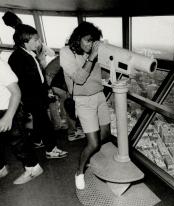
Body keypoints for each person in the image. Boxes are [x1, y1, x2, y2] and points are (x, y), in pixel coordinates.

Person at [60, 22, 111, 189]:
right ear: (78, 38)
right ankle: (79, 171)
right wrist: (92, 56)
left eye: (94, 41)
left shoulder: (94, 52)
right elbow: (80, 78)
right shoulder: (66, 53)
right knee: (94, 143)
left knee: (105, 135)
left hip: (99, 96)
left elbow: (104, 72)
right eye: (88, 41)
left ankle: (91, 159)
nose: (91, 45)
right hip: (83, 101)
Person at [8, 24, 68, 159]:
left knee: (40, 120)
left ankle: (36, 139)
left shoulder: (29, 54)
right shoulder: (18, 57)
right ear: (25, 41)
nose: (39, 42)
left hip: (37, 95)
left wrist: (46, 91)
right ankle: (51, 149)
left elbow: (38, 76)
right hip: (32, 97)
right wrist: (40, 95)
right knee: (45, 123)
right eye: (35, 40)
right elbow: (24, 82)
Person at [0, 58, 43, 184]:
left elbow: (16, 93)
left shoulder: (0, 65)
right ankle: (1, 168)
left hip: (8, 109)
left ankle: (34, 168)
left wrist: (8, 117)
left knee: (18, 142)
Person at [45, 56, 85, 141]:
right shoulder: (71, 62)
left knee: (62, 103)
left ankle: (63, 124)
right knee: (68, 104)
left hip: (54, 83)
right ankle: (72, 131)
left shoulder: (65, 60)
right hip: (56, 84)